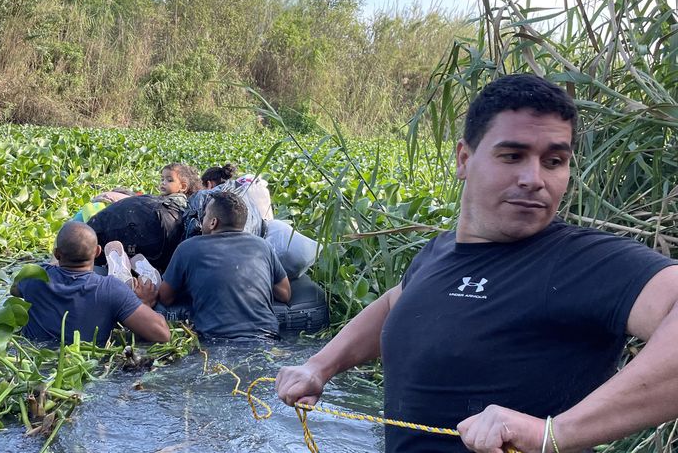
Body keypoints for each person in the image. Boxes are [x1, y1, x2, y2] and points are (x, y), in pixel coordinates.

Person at [275, 74, 678, 453]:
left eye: (554, 161)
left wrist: (553, 434)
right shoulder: (438, 253)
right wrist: (319, 365)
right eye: (512, 155)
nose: (534, 178)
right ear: (464, 159)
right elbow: (396, 303)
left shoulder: (585, 262)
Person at [158, 191, 292, 339]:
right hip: (268, 336)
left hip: (216, 340)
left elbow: (165, 297)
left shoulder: (188, 248)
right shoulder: (262, 246)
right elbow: (285, 294)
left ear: (213, 222)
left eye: (205, 215)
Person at [11, 221, 170, 345]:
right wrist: (145, 303)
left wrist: (49, 268)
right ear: (98, 252)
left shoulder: (33, 277)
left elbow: (14, 290)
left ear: (57, 254)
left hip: (36, 362)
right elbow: (162, 334)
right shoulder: (111, 288)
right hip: (89, 364)